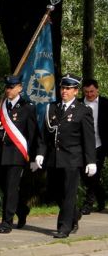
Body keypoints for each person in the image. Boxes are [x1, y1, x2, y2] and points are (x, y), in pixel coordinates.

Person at [34, 74, 97, 238]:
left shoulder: (83, 111)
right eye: (63, 88)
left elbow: (88, 138)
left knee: (69, 193)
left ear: (76, 91)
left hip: (72, 158)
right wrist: (40, 153)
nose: (64, 91)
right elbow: (44, 135)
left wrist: (91, 161)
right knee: (54, 191)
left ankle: (64, 227)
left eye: (68, 88)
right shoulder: (52, 108)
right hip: (54, 157)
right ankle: (74, 215)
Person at [0, 75, 40, 233]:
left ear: (19, 88)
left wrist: (33, 155)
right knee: (3, 185)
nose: (9, 90)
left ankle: (6, 222)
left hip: (17, 154)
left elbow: (32, 134)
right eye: (7, 87)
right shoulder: (0, 106)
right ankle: (22, 209)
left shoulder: (27, 107)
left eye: (12, 87)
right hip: (1, 153)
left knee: (11, 188)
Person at [79, 79, 108, 214]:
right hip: (81, 145)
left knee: (94, 173)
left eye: (92, 91)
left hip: (100, 144)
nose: (89, 94)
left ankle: (88, 204)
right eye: (86, 92)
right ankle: (101, 196)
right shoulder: (78, 104)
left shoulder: (106, 104)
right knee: (85, 174)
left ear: (97, 90)